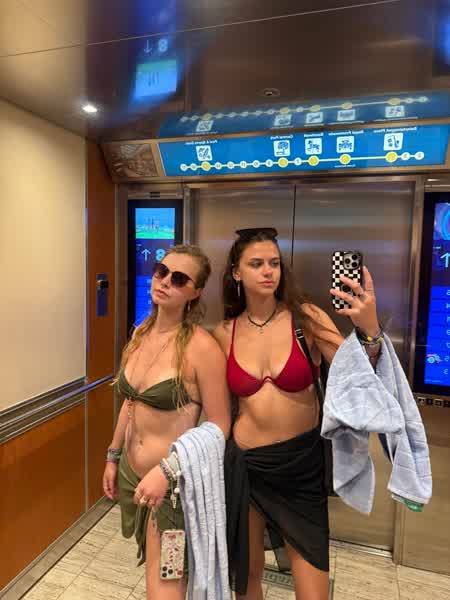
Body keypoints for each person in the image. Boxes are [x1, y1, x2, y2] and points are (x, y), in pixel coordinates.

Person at [213, 228, 382, 600]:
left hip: (301, 467)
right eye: (256, 264)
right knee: (246, 577)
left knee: (312, 584)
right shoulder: (225, 333)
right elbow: (214, 407)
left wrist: (369, 329)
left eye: (274, 263)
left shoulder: (305, 318)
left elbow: (360, 375)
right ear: (236, 272)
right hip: (246, 466)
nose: (268, 271)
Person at [103, 244, 231, 600]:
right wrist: (113, 455)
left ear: (195, 292)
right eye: (161, 271)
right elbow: (131, 401)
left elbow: (221, 425)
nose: (164, 281)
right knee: (157, 576)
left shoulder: (202, 348)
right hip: (133, 477)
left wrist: (168, 471)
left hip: (171, 489)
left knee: (166, 583)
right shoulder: (140, 334)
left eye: (179, 279)